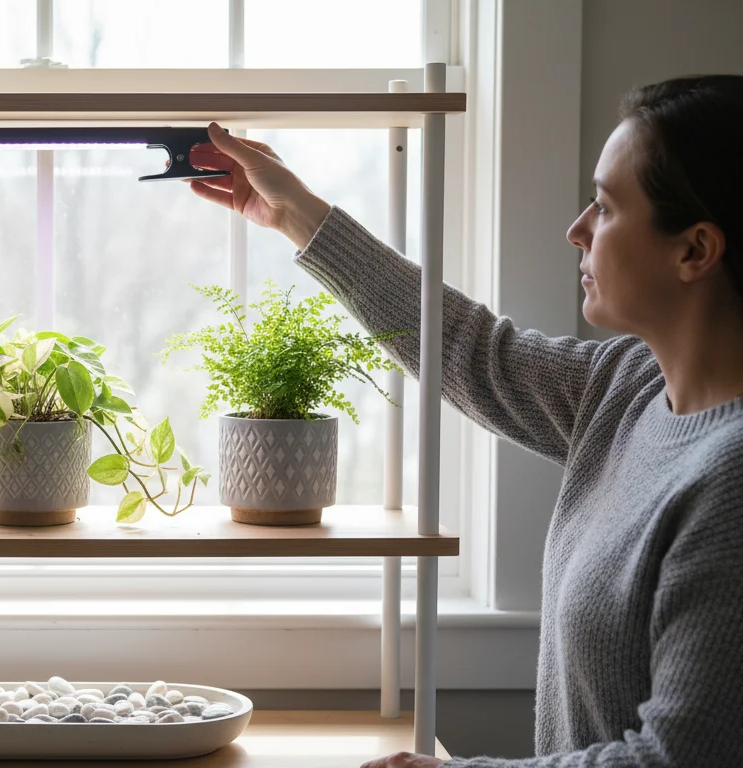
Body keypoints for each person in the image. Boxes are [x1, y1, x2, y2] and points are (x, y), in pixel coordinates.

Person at [188, 75, 743, 768]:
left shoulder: (730, 481)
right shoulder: (628, 387)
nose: (576, 230)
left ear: (695, 250)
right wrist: (294, 212)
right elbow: (469, 350)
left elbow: (682, 758)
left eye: (604, 207)